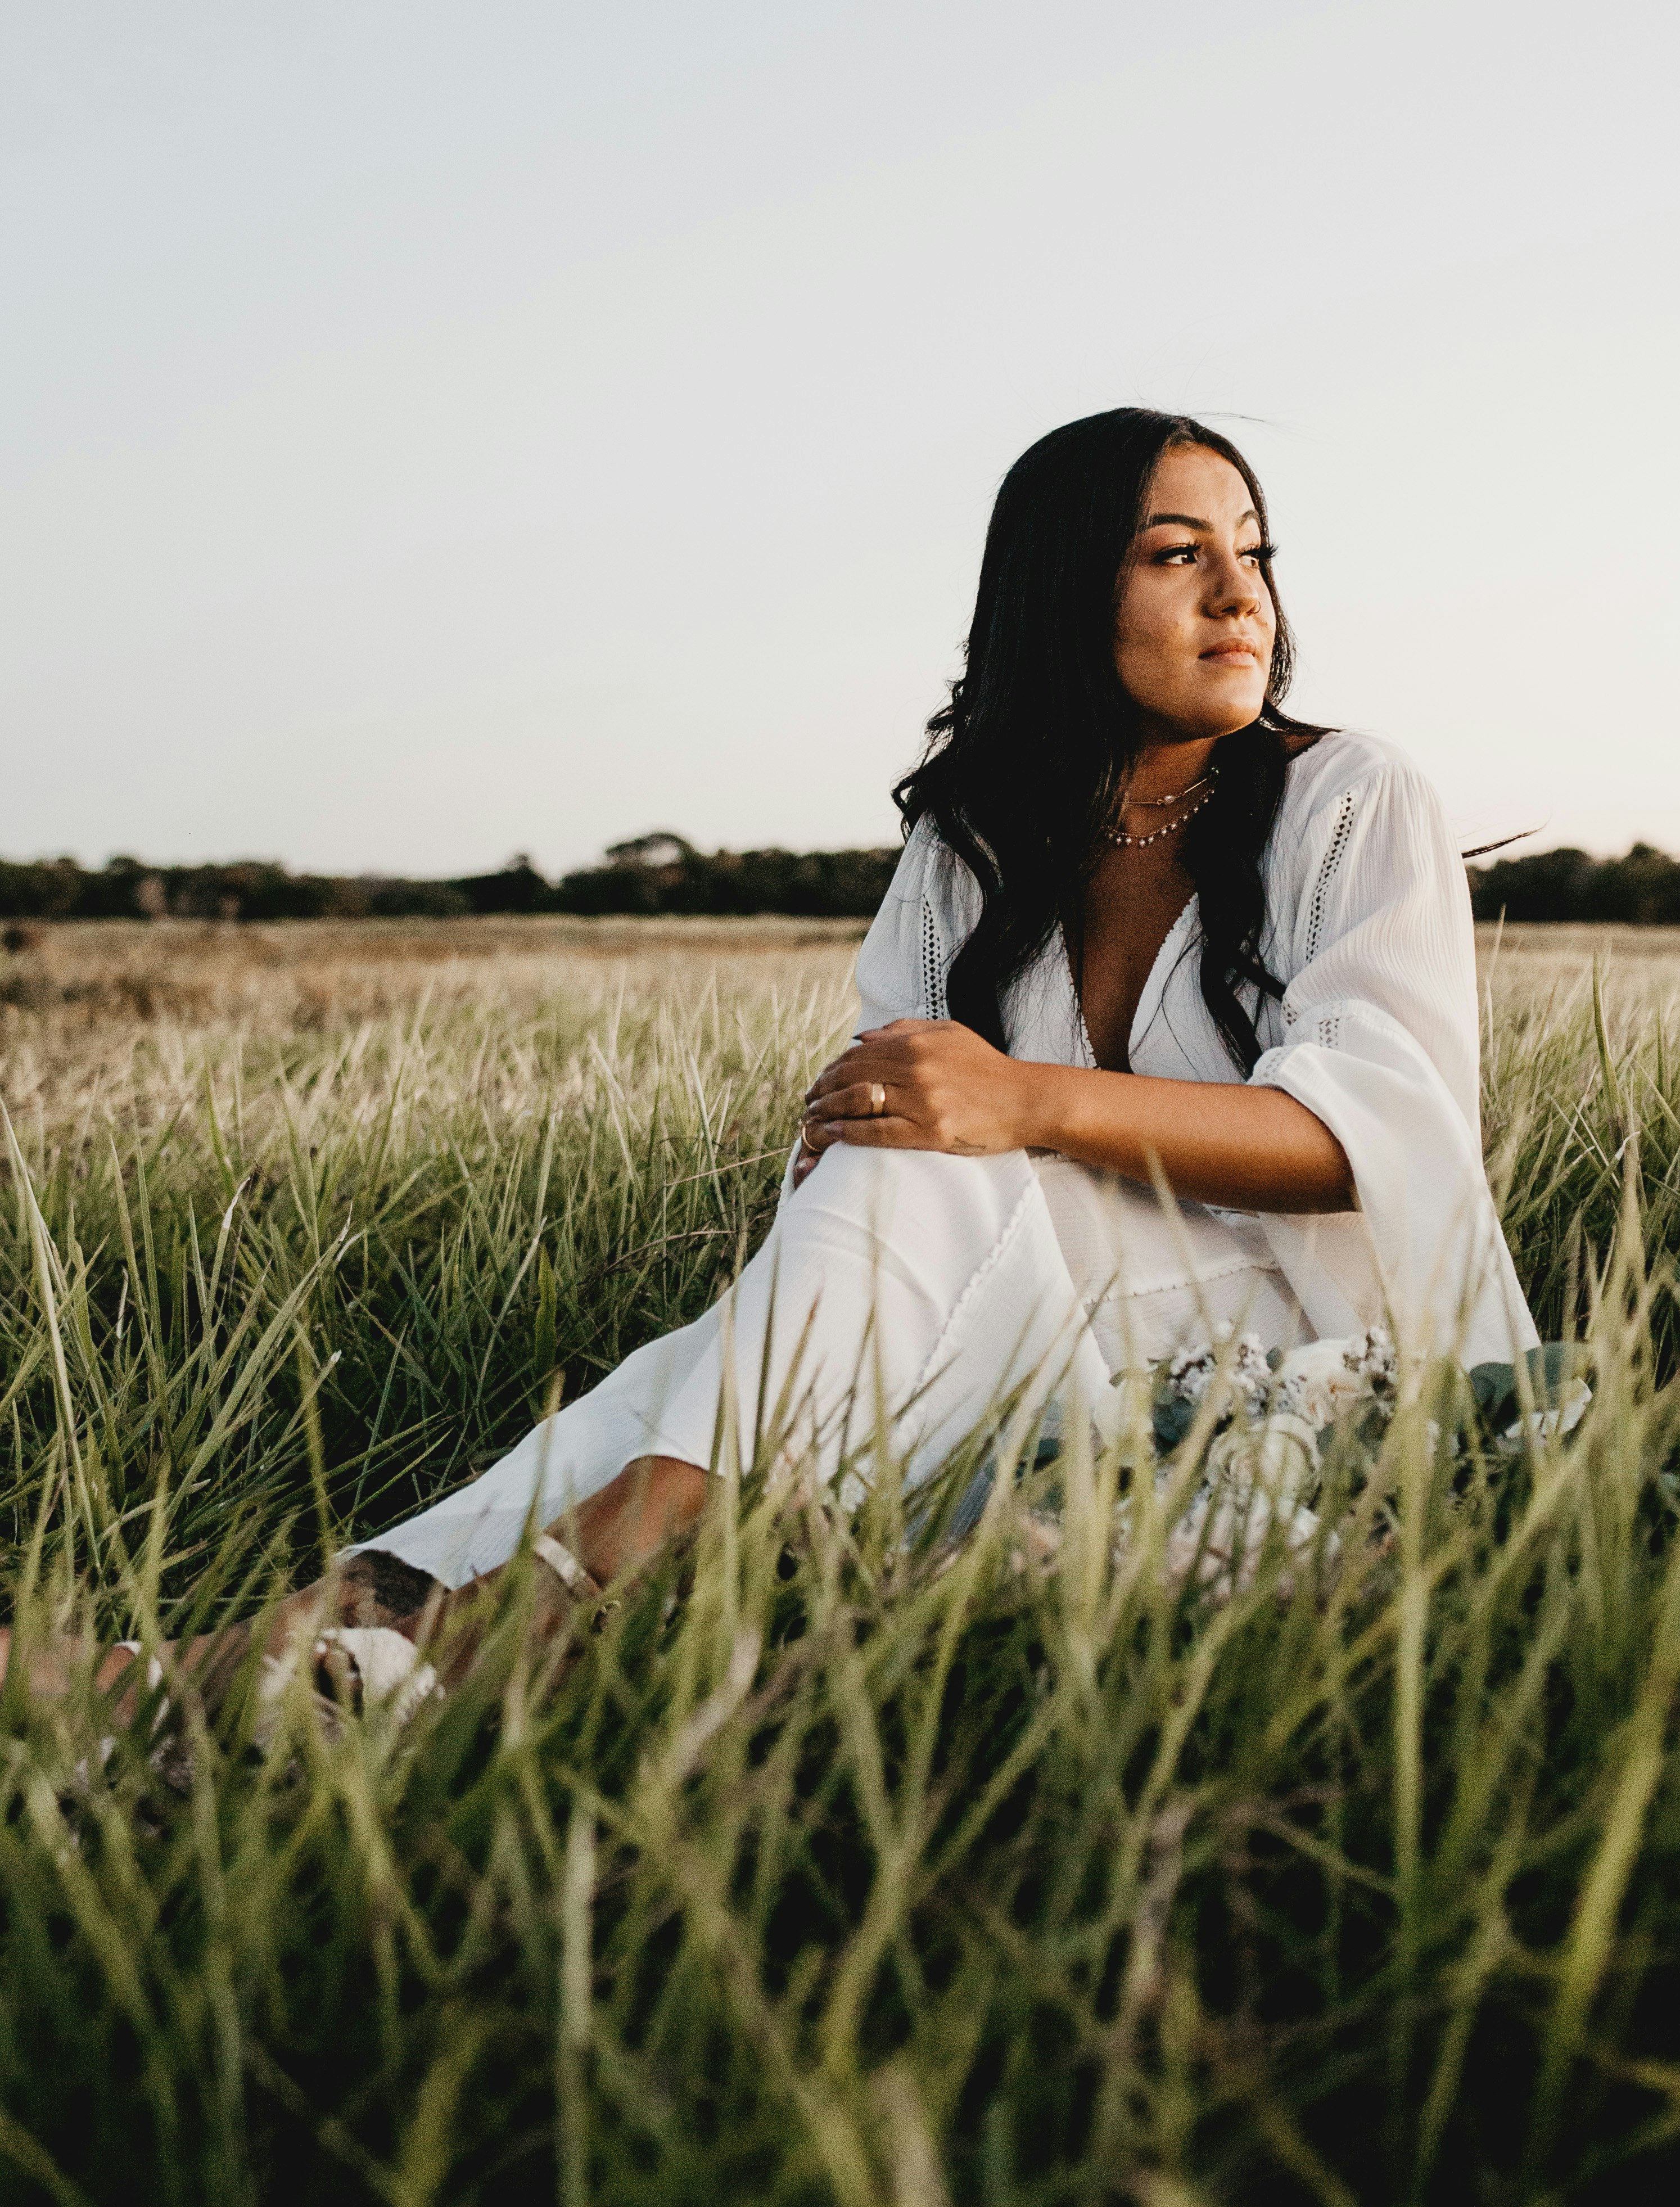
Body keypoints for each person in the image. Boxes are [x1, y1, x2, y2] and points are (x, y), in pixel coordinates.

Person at [3, 407, 1537, 1718]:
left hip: (1311, 1348)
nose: (1240, 594)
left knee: (888, 1211)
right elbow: (882, 1112)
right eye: (1177, 553)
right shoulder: (976, 843)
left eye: (1253, 551)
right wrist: (882, 1135)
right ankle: (264, 1664)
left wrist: (1022, 1103)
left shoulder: (1348, 795)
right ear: (1067, 592)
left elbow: (1379, 1141)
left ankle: (489, 1617)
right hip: (1045, 1345)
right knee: (739, 1326)